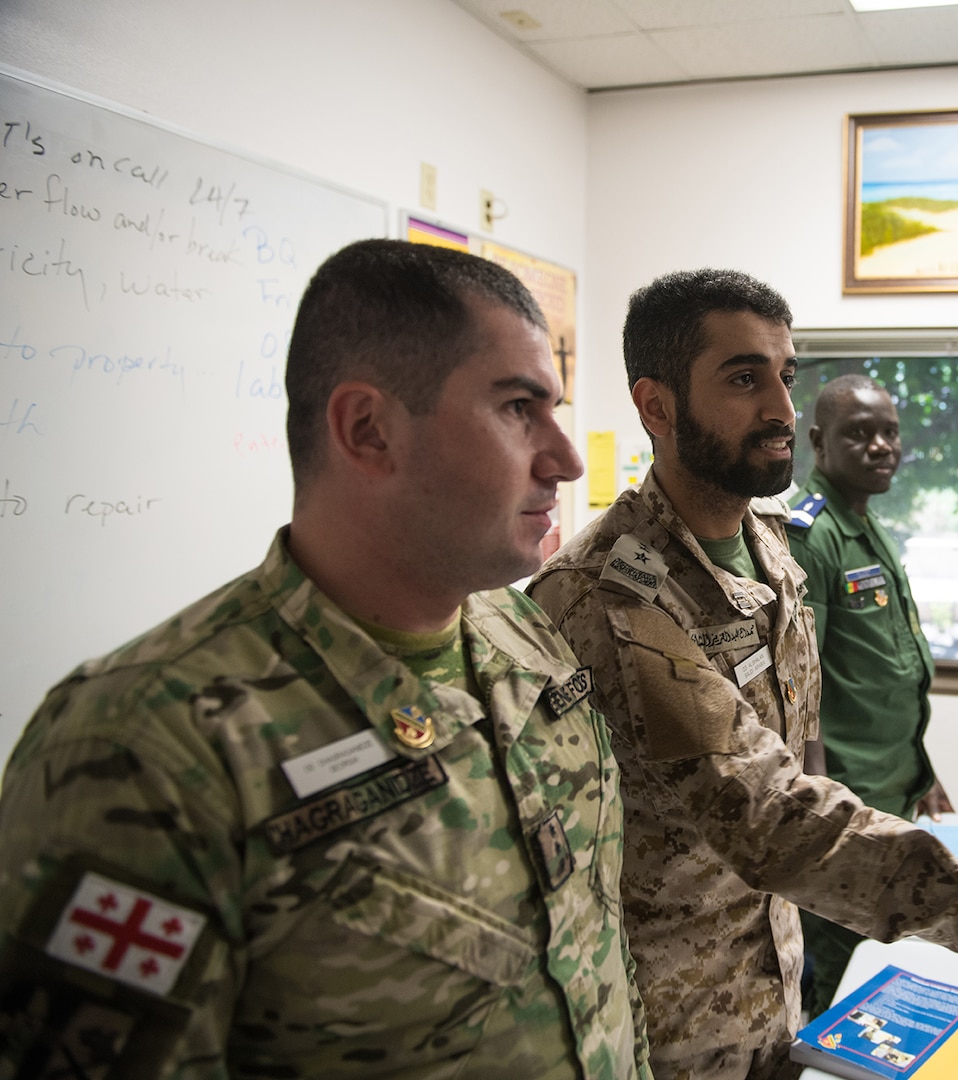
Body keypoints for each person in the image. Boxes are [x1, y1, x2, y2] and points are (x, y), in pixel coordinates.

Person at [0, 240, 650, 1078]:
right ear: (368, 430)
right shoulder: (144, 747)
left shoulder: (518, 634)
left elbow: (591, 955)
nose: (564, 458)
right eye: (518, 408)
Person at [529, 268, 958, 1079]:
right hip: (673, 1022)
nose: (781, 410)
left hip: (778, 973)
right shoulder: (611, 594)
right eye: (743, 378)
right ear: (655, 405)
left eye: (785, 375)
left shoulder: (771, 544)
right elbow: (770, 814)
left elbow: (800, 742)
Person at [785, 374, 952, 1015]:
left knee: (883, 951)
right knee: (846, 970)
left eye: (890, 432)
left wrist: (923, 773)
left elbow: (886, 671)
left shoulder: (867, 523)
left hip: (892, 786)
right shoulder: (813, 533)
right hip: (849, 797)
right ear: (820, 442)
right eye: (860, 433)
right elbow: (801, 677)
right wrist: (821, 794)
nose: (882, 446)